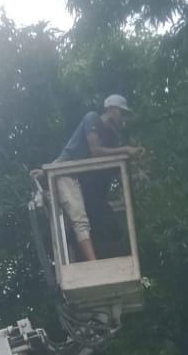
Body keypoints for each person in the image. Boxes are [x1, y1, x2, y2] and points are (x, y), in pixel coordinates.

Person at [51, 94, 142, 263]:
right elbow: (95, 151)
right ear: (112, 110)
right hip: (66, 171)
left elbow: (114, 168)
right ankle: (93, 263)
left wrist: (137, 170)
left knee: (100, 219)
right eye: (122, 114)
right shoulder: (92, 119)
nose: (124, 120)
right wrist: (126, 150)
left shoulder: (112, 137)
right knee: (80, 220)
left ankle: (101, 258)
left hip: (81, 178)